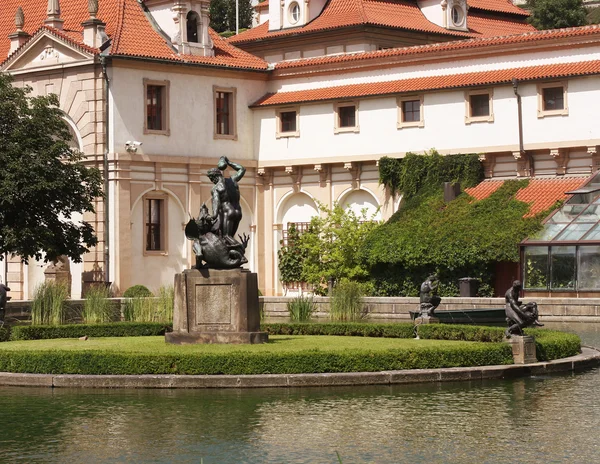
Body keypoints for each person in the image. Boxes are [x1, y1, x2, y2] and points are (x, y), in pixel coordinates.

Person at [206, 156, 246, 242]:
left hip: (228, 212)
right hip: (238, 212)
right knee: (230, 238)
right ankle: (239, 252)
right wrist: (229, 162)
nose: (211, 181)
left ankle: (240, 250)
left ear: (213, 177)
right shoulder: (233, 180)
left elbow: (215, 209)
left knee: (226, 237)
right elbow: (242, 169)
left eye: (211, 179)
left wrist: (211, 216)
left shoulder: (216, 188)